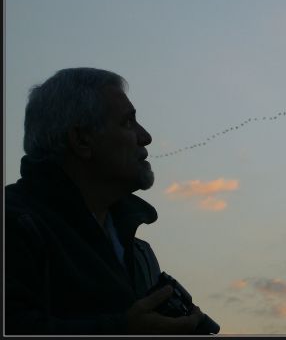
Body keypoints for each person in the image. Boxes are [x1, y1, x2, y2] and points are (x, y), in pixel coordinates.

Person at [4, 68, 206, 334]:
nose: (145, 137)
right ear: (82, 140)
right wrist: (123, 331)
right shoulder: (13, 222)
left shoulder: (139, 253)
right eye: (127, 123)